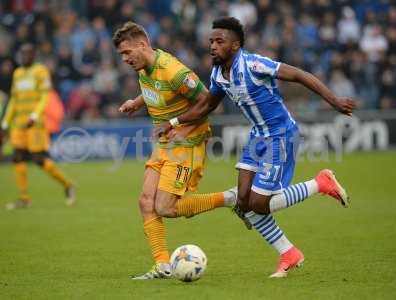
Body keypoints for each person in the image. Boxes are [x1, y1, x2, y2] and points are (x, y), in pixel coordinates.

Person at [155, 17, 356, 278]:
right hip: (257, 137)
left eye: (219, 41)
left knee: (260, 204)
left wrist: (335, 100)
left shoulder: (253, 64)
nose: (213, 46)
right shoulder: (218, 73)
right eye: (211, 41)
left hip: (280, 135)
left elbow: (299, 75)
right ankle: (288, 253)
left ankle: (320, 182)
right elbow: (206, 106)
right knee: (243, 202)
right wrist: (172, 122)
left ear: (235, 45)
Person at [112, 21, 236, 280]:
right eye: (121, 55)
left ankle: (230, 198)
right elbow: (156, 91)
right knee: (146, 203)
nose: (125, 59)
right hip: (165, 143)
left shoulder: (174, 71)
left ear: (142, 45)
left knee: (166, 208)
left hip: (186, 144)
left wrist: (175, 123)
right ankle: (162, 265)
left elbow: (207, 101)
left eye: (126, 53)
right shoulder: (144, 67)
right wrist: (136, 102)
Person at [0, 44, 75, 210]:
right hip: (18, 123)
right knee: (17, 157)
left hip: (35, 124)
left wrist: (34, 115)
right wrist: (6, 122)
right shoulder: (18, 73)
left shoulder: (40, 71)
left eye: (28, 54)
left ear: (34, 56)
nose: (24, 57)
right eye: (22, 54)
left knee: (39, 159)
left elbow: (44, 96)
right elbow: (14, 99)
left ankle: (67, 184)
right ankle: (24, 198)